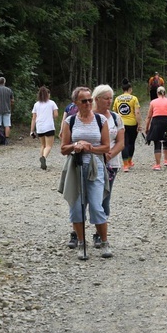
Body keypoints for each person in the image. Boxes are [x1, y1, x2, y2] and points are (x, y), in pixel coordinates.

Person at [59, 86, 112, 260]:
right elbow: (64, 148)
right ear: (76, 103)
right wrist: (76, 146)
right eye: (84, 101)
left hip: (95, 166)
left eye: (90, 100)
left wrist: (91, 147)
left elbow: (106, 147)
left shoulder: (100, 120)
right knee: (76, 206)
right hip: (76, 166)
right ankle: (82, 243)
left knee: (97, 205)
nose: (88, 103)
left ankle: (104, 242)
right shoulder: (70, 122)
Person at [92, 84, 125, 247]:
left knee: (104, 197)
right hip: (90, 161)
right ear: (96, 99)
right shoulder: (87, 116)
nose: (109, 101)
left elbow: (121, 142)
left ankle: (99, 233)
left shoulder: (115, 117)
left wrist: (109, 154)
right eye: (106, 98)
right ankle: (76, 230)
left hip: (110, 163)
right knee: (85, 196)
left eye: (111, 98)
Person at [112, 79, 142, 172]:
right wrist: (139, 124)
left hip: (121, 124)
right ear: (130, 89)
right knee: (131, 143)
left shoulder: (117, 99)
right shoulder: (133, 98)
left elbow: (114, 112)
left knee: (124, 144)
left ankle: (125, 165)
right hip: (132, 123)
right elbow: (137, 112)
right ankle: (129, 161)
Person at [144, 86, 167, 171]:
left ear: (157, 93)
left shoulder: (153, 102)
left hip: (156, 122)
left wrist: (147, 128)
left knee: (157, 142)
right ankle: (166, 160)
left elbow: (149, 117)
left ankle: (157, 164)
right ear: (165, 93)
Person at [30, 86, 59, 170]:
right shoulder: (52, 103)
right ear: (47, 94)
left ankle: (42, 160)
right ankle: (44, 157)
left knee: (43, 145)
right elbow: (56, 115)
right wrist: (50, 117)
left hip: (40, 127)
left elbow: (33, 118)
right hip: (49, 126)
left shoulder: (36, 104)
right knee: (49, 146)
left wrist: (32, 130)